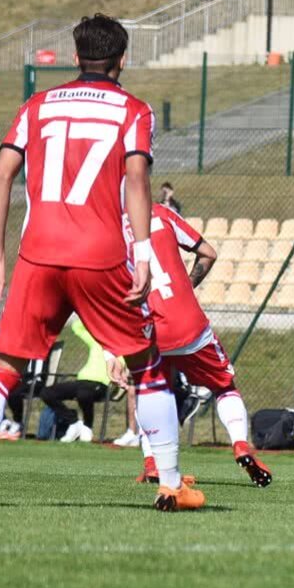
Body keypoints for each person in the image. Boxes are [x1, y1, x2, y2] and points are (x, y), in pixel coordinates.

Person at [0, 14, 203, 512]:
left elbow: (0, 178)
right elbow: (138, 181)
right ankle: (171, 484)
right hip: (99, 255)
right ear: (122, 60)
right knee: (147, 367)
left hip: (37, 253)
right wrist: (143, 253)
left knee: (3, 370)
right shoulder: (134, 110)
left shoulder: (37, 105)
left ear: (76, 57)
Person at [117, 200, 273, 487]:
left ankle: (152, 463)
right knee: (224, 387)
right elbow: (208, 254)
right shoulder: (161, 213)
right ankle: (240, 445)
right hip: (188, 323)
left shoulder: (109, 226)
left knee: (149, 392)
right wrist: (185, 287)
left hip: (150, 327)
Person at [39, 318, 115, 443]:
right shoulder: (97, 342)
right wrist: (92, 314)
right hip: (81, 381)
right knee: (47, 393)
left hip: (101, 384)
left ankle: (87, 426)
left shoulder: (122, 349)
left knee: (84, 394)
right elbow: (77, 327)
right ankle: (73, 422)